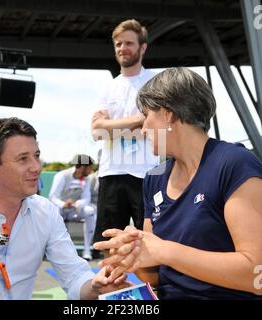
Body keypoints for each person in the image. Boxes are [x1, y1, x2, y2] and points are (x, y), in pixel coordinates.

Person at [94, 67, 262, 299]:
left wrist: (166, 251)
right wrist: (131, 254)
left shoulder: (234, 163)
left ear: (167, 113)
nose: (142, 129)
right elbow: (156, 275)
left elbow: (257, 275)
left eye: (146, 116)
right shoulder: (154, 178)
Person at [0, 117, 129, 300]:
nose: (37, 167)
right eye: (23, 159)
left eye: (36, 156)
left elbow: (74, 275)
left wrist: (96, 286)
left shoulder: (45, 212)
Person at [91, 19, 158, 245]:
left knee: (149, 240)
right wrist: (138, 120)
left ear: (142, 47)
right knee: (108, 242)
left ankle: (151, 283)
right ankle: (112, 281)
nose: (123, 48)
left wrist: (111, 127)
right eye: (118, 44)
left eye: (129, 43)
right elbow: (96, 132)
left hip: (147, 172)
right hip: (111, 171)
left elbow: (153, 126)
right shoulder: (108, 87)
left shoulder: (155, 83)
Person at [48, 154, 96, 261]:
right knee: (56, 211)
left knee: (90, 211)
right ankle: (57, 251)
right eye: (90, 167)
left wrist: (77, 204)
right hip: (60, 209)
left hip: (75, 210)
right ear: (83, 167)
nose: (91, 170)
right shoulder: (62, 176)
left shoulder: (86, 180)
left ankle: (87, 249)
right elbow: (53, 196)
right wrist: (63, 204)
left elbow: (86, 198)